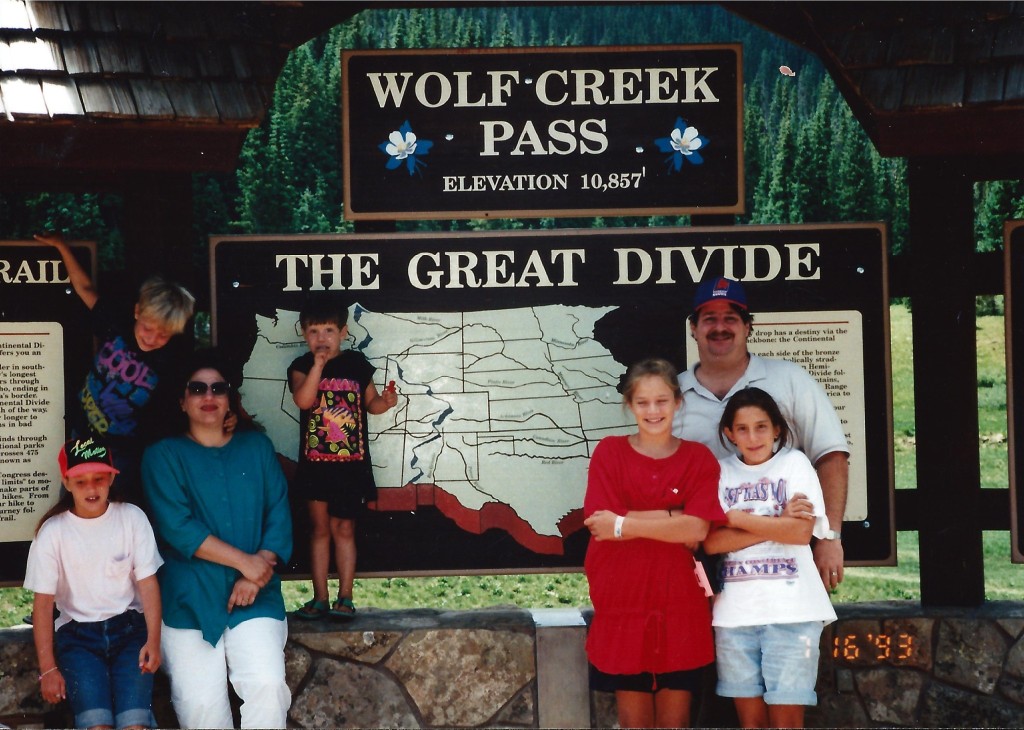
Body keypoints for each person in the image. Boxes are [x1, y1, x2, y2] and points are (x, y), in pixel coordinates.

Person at [141, 349, 293, 729]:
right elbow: (178, 528)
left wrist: (255, 572)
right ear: (182, 400)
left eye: (217, 388)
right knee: (201, 707)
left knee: (268, 685)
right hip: (188, 599)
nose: (208, 396)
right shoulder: (163, 456)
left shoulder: (256, 448)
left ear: (229, 399)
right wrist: (246, 563)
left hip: (254, 595)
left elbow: (278, 514)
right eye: (197, 388)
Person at [673, 276, 849, 590]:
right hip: (700, 552)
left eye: (731, 318)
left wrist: (829, 537)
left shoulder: (790, 380)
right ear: (693, 328)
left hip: (785, 560)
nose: (720, 327)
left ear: (748, 326)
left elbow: (831, 455)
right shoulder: (672, 395)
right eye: (709, 319)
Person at [583, 358, 724, 728]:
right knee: (635, 723)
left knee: (675, 723)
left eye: (662, 401)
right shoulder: (609, 453)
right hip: (624, 604)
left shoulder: (698, 458)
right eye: (642, 402)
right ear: (629, 405)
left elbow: (697, 530)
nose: (653, 410)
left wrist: (623, 523)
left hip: (681, 607)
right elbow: (599, 524)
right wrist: (673, 518)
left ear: (678, 402)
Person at [703, 387, 837, 728]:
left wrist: (737, 518)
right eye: (743, 429)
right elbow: (713, 542)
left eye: (761, 426)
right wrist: (778, 521)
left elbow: (800, 534)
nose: (752, 437)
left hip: (793, 612)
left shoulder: (795, 464)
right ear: (729, 433)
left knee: (787, 721)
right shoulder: (719, 473)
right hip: (735, 615)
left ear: (777, 428)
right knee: (751, 723)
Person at [35, 232, 196, 505]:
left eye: (163, 334)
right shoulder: (116, 324)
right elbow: (85, 288)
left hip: (124, 449)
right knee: (73, 502)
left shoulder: (170, 361)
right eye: (147, 327)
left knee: (117, 504)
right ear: (136, 312)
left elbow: (188, 397)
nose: (152, 338)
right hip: (84, 433)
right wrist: (62, 246)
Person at [24, 436, 163, 730]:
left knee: (134, 724)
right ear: (66, 481)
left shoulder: (131, 518)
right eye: (80, 481)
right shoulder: (53, 532)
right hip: (78, 638)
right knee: (96, 725)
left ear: (112, 478)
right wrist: (48, 667)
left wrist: (153, 639)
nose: (91, 488)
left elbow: (148, 584)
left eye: (99, 479)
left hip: (130, 632)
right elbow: (43, 604)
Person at [288, 294, 398, 621]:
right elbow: (304, 401)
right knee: (319, 530)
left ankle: (345, 597)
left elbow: (372, 404)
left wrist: (387, 402)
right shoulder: (301, 367)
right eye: (314, 332)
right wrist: (318, 366)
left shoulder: (357, 366)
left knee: (344, 529)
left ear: (344, 332)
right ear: (304, 334)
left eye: (329, 331)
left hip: (350, 468)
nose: (322, 339)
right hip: (315, 467)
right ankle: (320, 596)